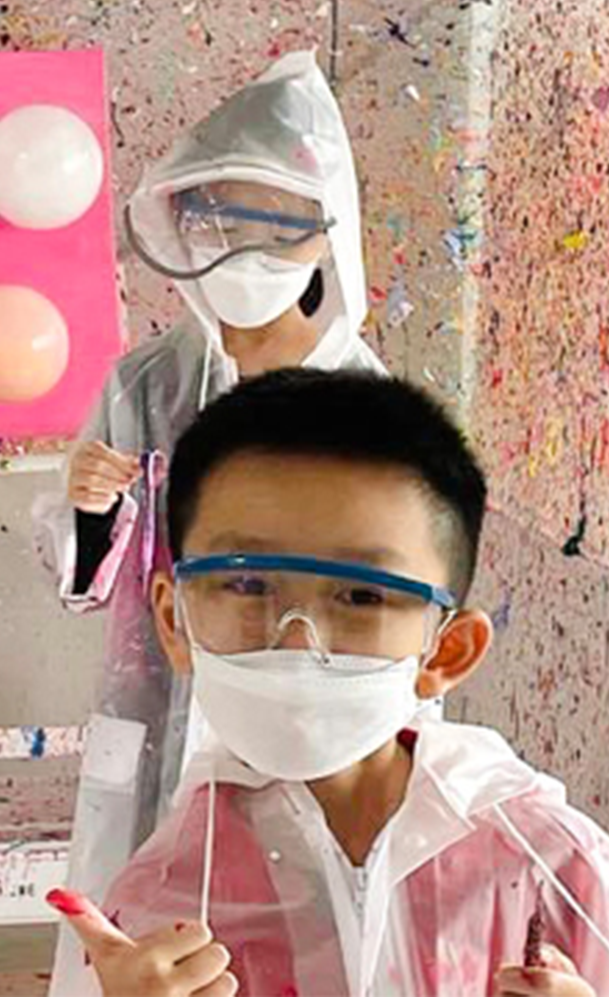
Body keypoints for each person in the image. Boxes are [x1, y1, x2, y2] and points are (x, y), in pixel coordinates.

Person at [51, 369, 609, 996]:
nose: (298, 641)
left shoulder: (557, 873)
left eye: (361, 596)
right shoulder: (167, 900)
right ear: (173, 619)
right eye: (246, 584)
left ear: (448, 650)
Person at [42, 50, 386, 989]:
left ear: (326, 235)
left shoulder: (365, 401)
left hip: (308, 707)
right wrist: (89, 509)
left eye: (271, 224)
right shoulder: (145, 384)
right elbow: (84, 579)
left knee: (303, 924)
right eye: (217, 220)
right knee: (148, 923)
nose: (239, 251)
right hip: (160, 703)